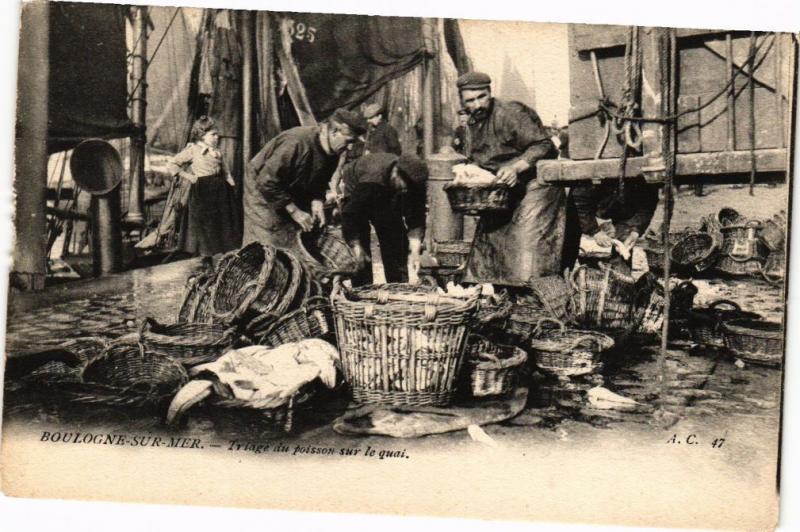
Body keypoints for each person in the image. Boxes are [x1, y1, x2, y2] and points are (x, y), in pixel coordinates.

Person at [456, 72, 566, 285]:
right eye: (470, 100)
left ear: (490, 93)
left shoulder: (510, 113)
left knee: (526, 253)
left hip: (535, 188)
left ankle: (533, 300)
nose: (477, 104)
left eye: (482, 96)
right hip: (502, 192)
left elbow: (543, 145)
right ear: (462, 101)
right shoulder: (472, 123)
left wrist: (516, 168)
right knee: (486, 256)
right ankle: (496, 300)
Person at [242, 108, 367, 250]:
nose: (350, 147)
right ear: (334, 132)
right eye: (349, 141)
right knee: (268, 238)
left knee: (295, 235)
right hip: (261, 188)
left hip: (289, 187)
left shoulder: (334, 151)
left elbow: (320, 179)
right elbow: (266, 181)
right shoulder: (296, 143)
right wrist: (295, 212)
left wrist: (317, 201)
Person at [340, 153, 428, 286]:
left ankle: (398, 285)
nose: (405, 191)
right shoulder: (371, 180)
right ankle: (362, 288)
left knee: (395, 234)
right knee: (361, 248)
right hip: (359, 187)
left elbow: (417, 216)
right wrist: (356, 246)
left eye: (409, 189)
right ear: (395, 173)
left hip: (385, 191)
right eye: (403, 186)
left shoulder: (415, 182)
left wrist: (415, 251)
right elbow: (350, 215)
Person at [160, 116, 242, 256]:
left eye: (217, 134)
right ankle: (206, 257)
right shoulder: (193, 150)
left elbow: (226, 171)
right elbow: (172, 164)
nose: (217, 137)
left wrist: (232, 187)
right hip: (203, 191)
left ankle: (223, 255)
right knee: (206, 225)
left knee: (223, 225)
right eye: (213, 135)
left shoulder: (217, 152)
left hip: (221, 190)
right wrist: (189, 177)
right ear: (202, 135)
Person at [566, 177, 659, 268]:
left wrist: (636, 230)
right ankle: (564, 270)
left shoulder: (645, 181)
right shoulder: (590, 180)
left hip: (624, 207)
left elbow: (647, 206)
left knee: (625, 237)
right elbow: (580, 203)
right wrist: (594, 231)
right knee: (570, 231)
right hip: (593, 202)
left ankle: (619, 272)